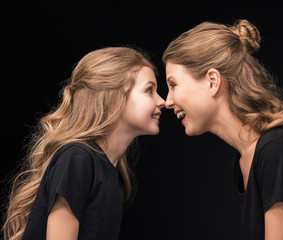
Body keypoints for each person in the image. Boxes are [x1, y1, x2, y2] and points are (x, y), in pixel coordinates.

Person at [163, 19, 283, 239]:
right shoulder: (245, 161)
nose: (167, 101)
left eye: (173, 85)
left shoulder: (278, 150)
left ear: (212, 81)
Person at [2, 47, 165, 240]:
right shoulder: (78, 158)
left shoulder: (115, 176)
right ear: (113, 99)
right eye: (149, 90)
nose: (162, 101)